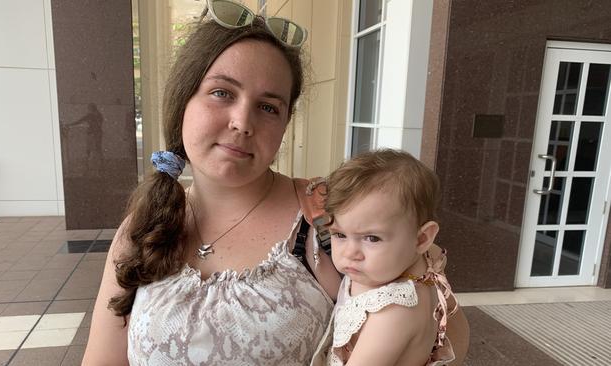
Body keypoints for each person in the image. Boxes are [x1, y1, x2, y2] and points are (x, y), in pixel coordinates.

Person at [83, 1, 468, 365]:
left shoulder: (333, 214)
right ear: (184, 100)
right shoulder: (145, 225)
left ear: (284, 124)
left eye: (268, 107)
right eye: (222, 93)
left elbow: (444, 324)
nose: (242, 122)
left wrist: (419, 313)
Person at [311, 149, 461, 366]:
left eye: (371, 238)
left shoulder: (393, 313)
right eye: (339, 235)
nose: (349, 253)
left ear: (421, 239)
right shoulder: (420, 259)